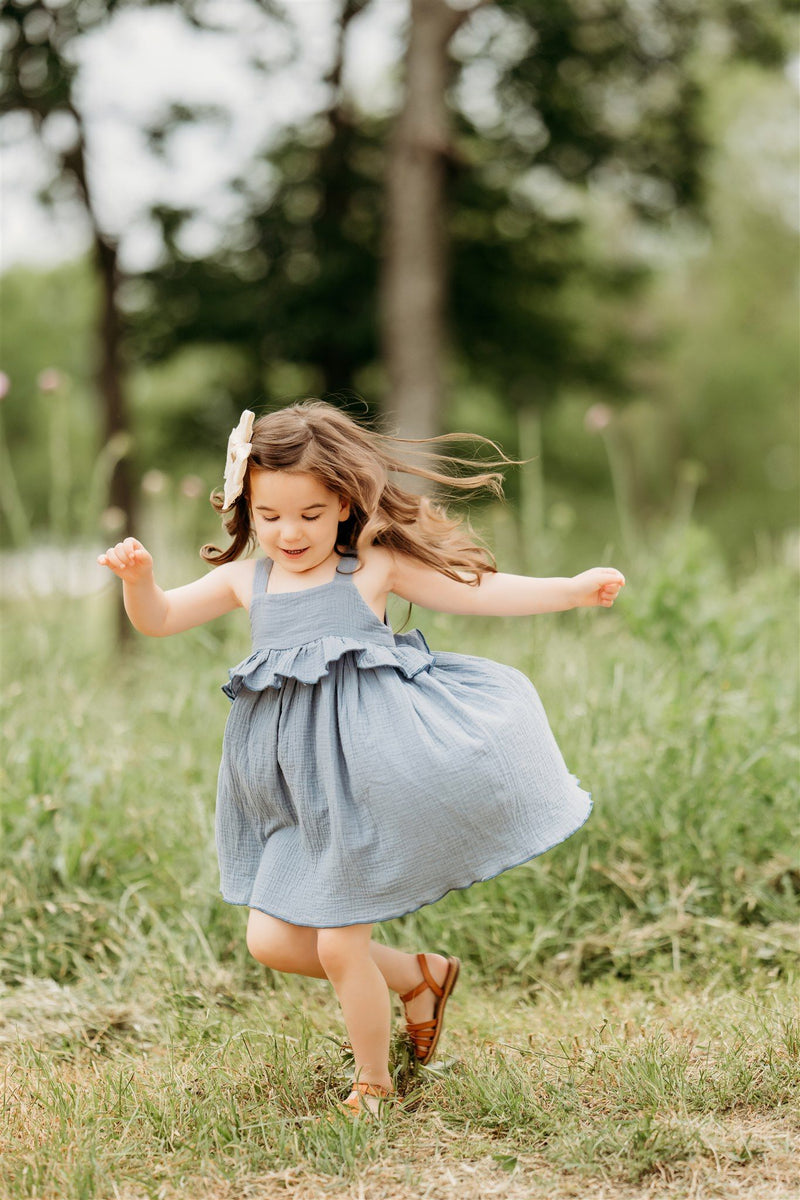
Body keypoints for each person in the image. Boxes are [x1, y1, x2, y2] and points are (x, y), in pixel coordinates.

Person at [98, 400, 625, 1119]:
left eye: (311, 515)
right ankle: (419, 977)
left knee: (342, 945)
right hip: (285, 787)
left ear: (345, 504)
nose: (289, 533)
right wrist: (138, 582)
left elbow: (475, 591)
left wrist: (569, 591)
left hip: (368, 775)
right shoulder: (244, 581)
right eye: (271, 514)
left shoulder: (369, 569)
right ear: (248, 505)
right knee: (274, 940)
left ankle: (373, 1084)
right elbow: (158, 620)